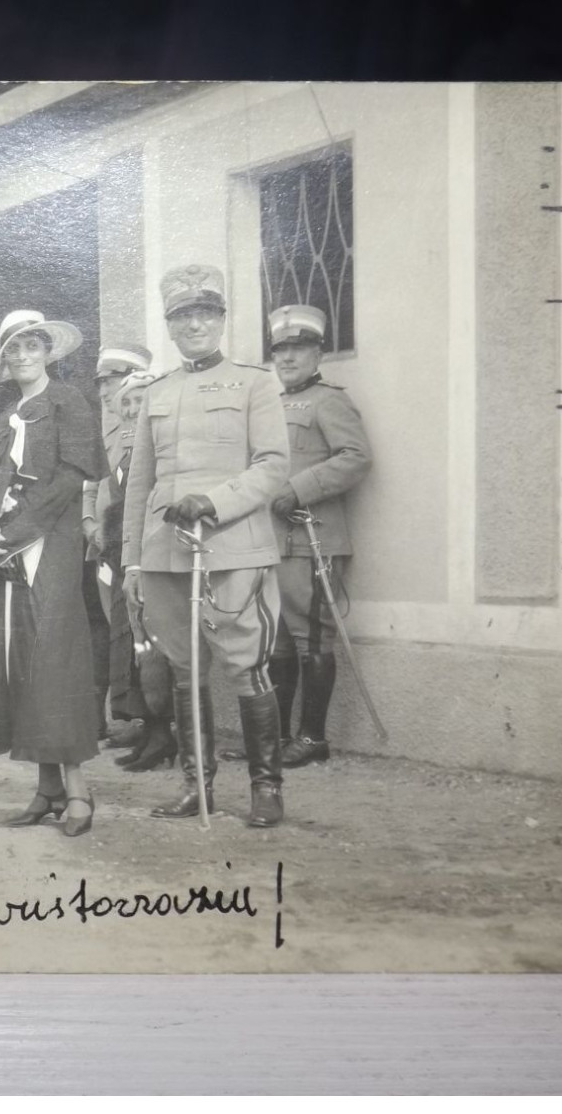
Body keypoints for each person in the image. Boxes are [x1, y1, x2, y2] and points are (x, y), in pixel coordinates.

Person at [122, 265, 290, 828]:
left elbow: (272, 466)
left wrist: (214, 502)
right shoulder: (157, 392)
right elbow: (139, 484)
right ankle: (198, 787)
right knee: (183, 670)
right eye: (182, 316)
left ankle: (267, 788)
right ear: (170, 327)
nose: (193, 324)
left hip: (233, 547)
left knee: (248, 667)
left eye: (204, 314)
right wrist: (131, 558)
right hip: (165, 555)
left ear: (220, 320)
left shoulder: (256, 382)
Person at [0, 310, 108, 837]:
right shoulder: (9, 412)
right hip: (5, 552)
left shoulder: (68, 402)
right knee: (20, 659)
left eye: (33, 345)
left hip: (48, 546)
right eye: (14, 348)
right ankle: (47, 789)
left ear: (49, 351)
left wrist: (16, 532)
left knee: (55, 660)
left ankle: (78, 793)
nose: (24, 355)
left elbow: (72, 477)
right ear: (4, 359)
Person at [265, 303, 372, 767]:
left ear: (318, 353)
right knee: (277, 643)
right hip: (272, 542)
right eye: (280, 349)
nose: (287, 358)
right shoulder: (270, 404)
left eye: (299, 347)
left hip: (313, 542)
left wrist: (299, 489)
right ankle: (274, 737)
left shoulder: (330, 401)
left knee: (311, 641)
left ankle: (312, 738)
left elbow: (355, 457)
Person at [91, 362, 180, 774]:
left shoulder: (167, 441)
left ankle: (167, 736)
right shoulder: (125, 445)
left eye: (139, 400)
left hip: (158, 550)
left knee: (157, 644)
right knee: (134, 642)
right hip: (125, 553)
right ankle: (152, 731)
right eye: (125, 402)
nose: (131, 408)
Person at [81, 343, 153, 753]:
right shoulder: (105, 432)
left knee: (137, 628)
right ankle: (116, 716)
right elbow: (90, 486)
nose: (105, 392)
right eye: (103, 384)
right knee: (108, 628)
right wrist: (89, 522)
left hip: (139, 546)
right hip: (103, 548)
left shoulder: (150, 425)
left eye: (111, 381)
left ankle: (143, 717)